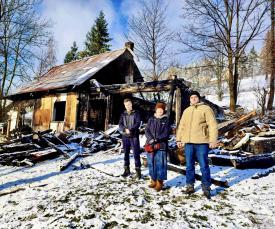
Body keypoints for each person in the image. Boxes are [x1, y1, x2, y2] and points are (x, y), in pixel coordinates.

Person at [176, 91, 218, 199]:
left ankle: (206, 187)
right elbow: (181, 126)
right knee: (189, 165)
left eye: (195, 97)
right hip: (188, 143)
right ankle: (190, 185)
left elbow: (212, 125)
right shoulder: (187, 111)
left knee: (203, 165)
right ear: (190, 99)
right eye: (191, 97)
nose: (193, 99)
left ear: (199, 98)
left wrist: (213, 140)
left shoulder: (206, 109)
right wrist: (179, 139)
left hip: (202, 142)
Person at [145, 102, 171, 192]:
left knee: (160, 163)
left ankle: (160, 182)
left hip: (161, 145)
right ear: (156, 110)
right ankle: (153, 180)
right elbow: (147, 130)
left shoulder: (166, 120)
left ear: (163, 110)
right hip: (150, 144)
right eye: (158, 109)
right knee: (151, 162)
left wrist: (157, 139)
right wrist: (151, 139)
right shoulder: (151, 119)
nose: (160, 111)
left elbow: (166, 133)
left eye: (161, 109)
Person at [119, 98, 142, 179]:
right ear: (124, 105)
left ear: (131, 104)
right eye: (126, 105)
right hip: (125, 136)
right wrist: (125, 129)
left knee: (136, 154)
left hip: (134, 136)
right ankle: (126, 170)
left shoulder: (136, 113)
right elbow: (120, 124)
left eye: (129, 104)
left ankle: (138, 172)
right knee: (126, 154)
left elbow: (138, 123)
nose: (128, 106)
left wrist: (131, 129)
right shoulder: (123, 114)